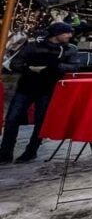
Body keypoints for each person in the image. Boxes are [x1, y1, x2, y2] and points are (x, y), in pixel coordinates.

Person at [0, 22, 79, 163]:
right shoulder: (33, 47)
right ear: (57, 34)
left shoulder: (69, 49)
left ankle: (32, 150)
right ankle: (5, 152)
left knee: (41, 121)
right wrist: (29, 68)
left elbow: (74, 66)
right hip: (26, 87)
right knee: (12, 118)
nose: (70, 35)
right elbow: (15, 63)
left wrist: (53, 67)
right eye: (66, 33)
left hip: (48, 89)